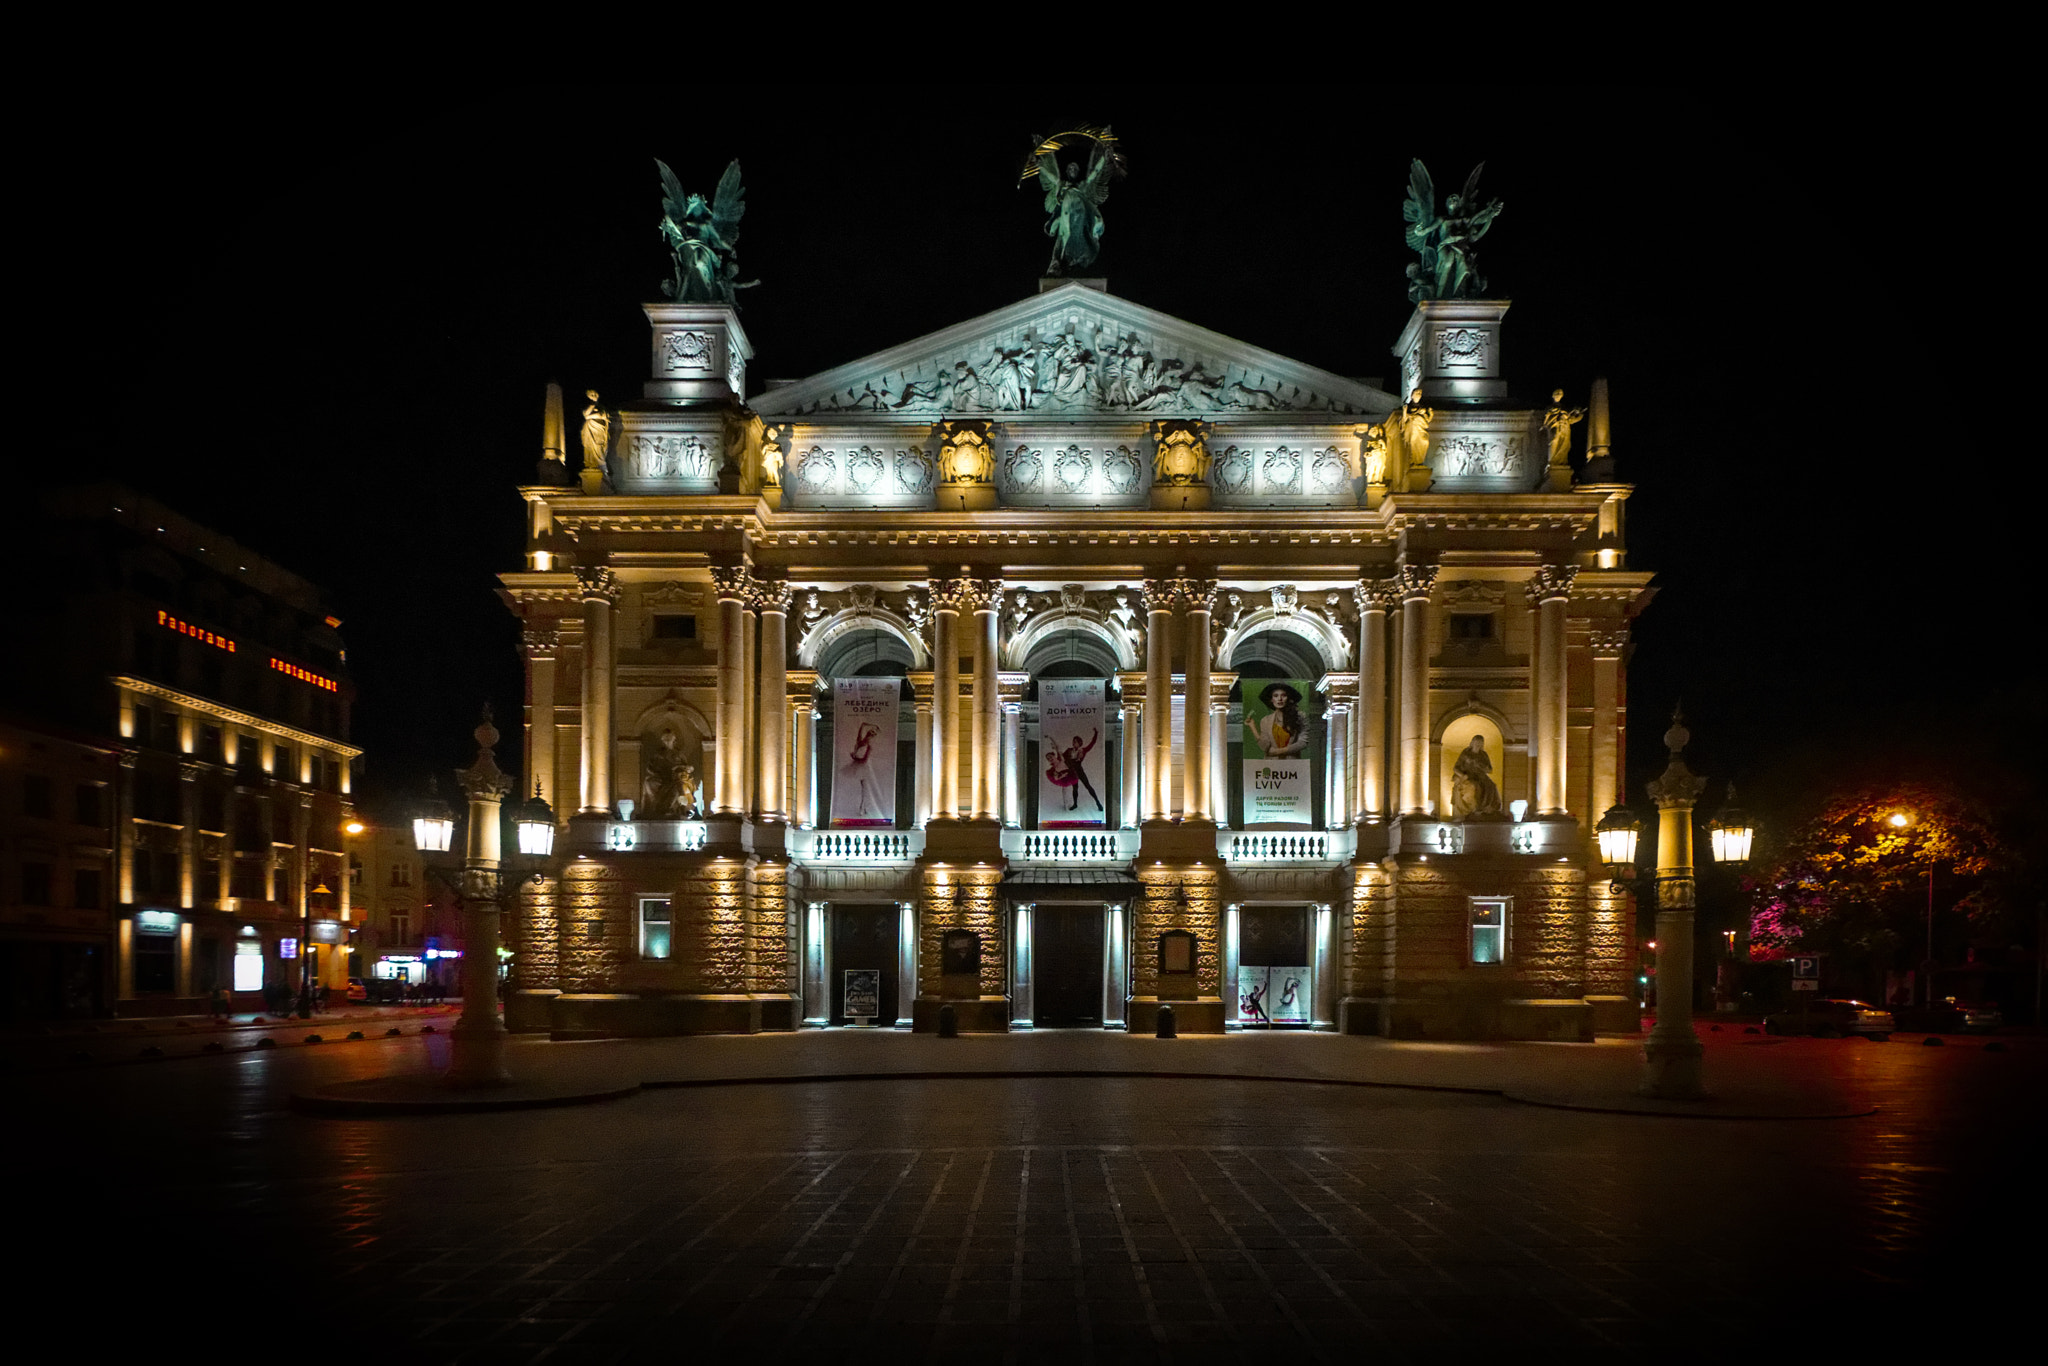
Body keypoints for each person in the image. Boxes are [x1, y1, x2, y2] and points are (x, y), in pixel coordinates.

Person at [837, 722, 887, 821]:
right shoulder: (861, 742)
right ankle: (860, 808)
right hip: (857, 766)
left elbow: (864, 760)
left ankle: (863, 808)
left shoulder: (866, 745)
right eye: (870, 734)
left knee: (864, 789)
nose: (870, 736)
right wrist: (871, 725)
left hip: (861, 767)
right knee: (859, 789)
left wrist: (854, 757)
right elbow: (862, 726)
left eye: (871, 735)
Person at [1250, 683, 1309, 758]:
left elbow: (1303, 742)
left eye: (1283, 695)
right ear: (1272, 699)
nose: (1280, 699)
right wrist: (1252, 727)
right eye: (1276, 696)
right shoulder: (1265, 720)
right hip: (1271, 765)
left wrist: (1279, 751)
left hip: (1293, 765)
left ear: (1289, 698)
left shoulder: (1299, 717)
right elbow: (1265, 746)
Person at [1450, 734, 1502, 817]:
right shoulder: (1466, 753)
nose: (1478, 744)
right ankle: (1476, 808)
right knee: (1475, 786)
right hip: (1469, 775)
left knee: (1492, 786)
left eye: (1480, 742)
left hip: (1481, 776)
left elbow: (1489, 769)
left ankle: (1489, 809)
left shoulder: (1483, 754)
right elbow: (1456, 767)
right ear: (1472, 743)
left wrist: (1482, 766)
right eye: (1477, 742)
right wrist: (1462, 775)